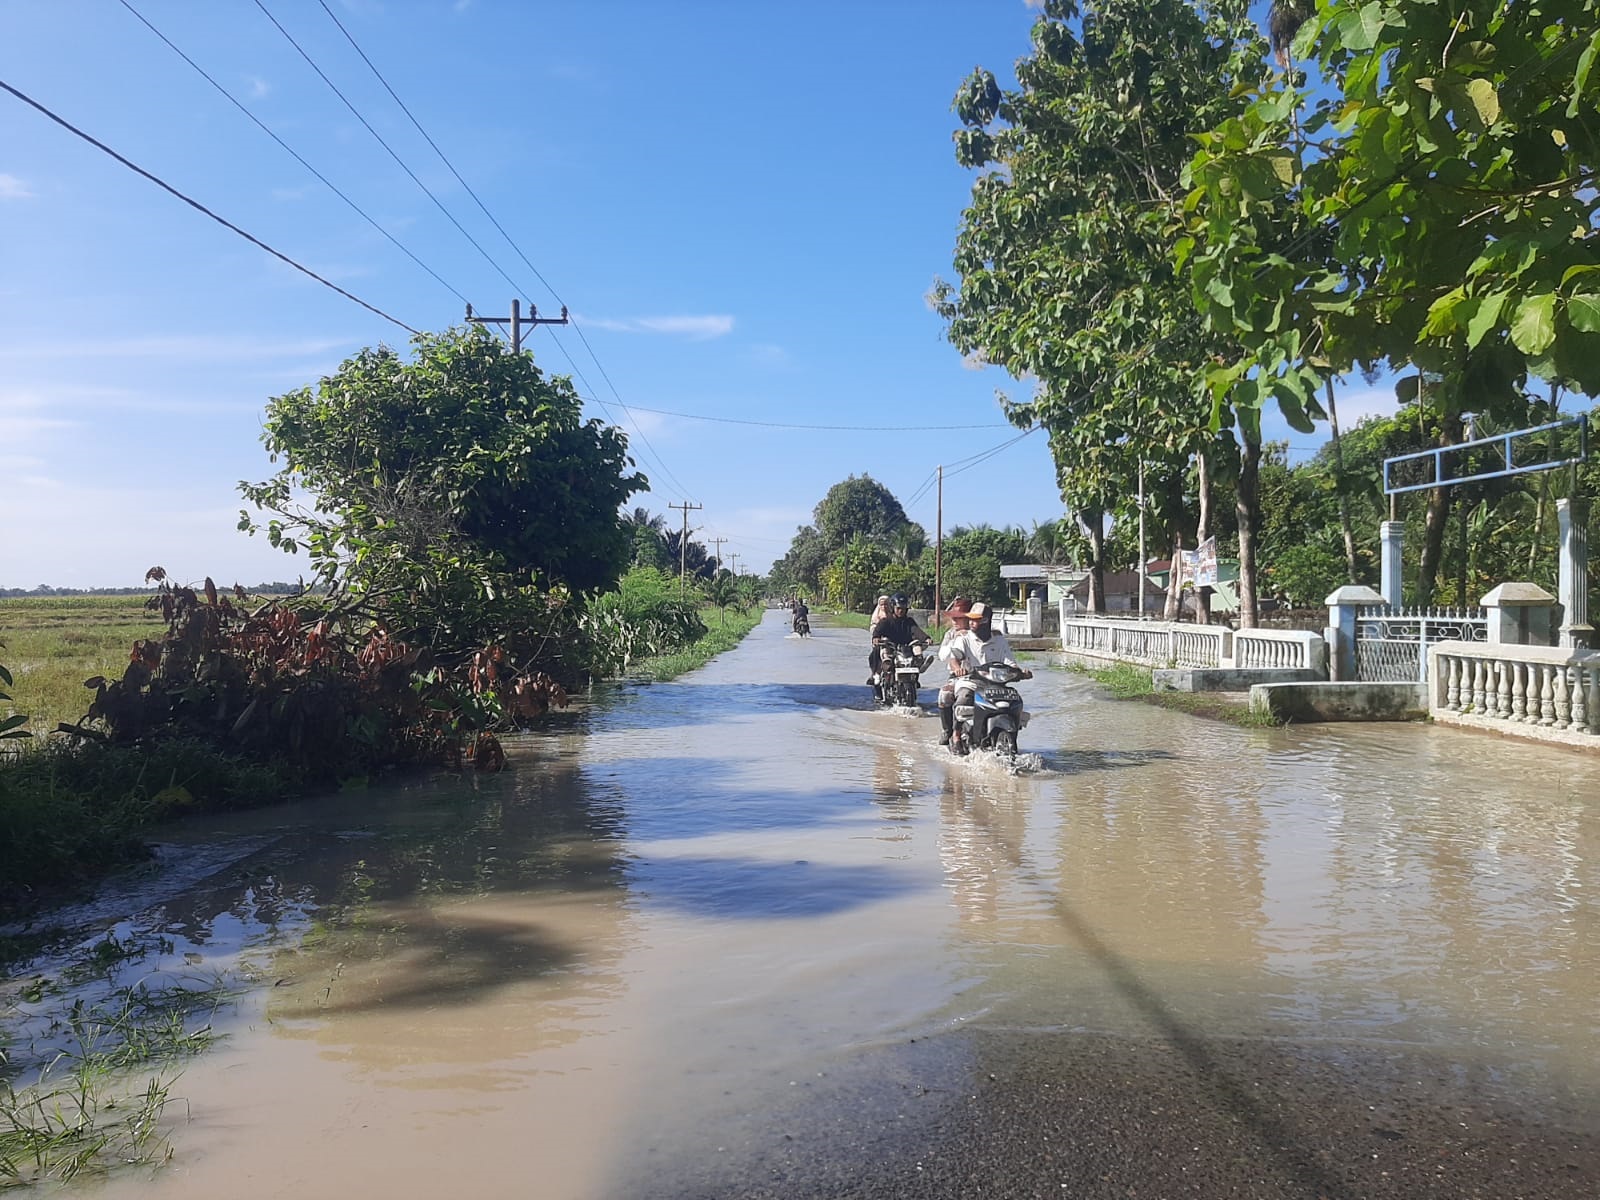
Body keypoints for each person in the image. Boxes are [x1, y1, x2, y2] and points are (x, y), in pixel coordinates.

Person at [942, 601, 1032, 748]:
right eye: (970, 619)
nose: (971, 622)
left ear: (986, 620)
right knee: (963, 700)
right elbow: (954, 658)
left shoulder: (999, 639)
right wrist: (958, 668)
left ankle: (1012, 732)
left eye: (976, 619)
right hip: (971, 681)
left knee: (1016, 702)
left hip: (997, 684)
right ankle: (956, 735)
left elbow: (1010, 662)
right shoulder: (964, 638)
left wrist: (1020, 673)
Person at [868, 593, 929, 693]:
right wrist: (876, 638)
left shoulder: (909, 621)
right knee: (883, 650)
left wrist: (926, 638)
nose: (901, 611)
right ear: (893, 608)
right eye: (898, 608)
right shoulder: (886, 621)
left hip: (906, 649)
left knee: (916, 645)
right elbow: (877, 631)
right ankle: (885, 670)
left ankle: (919, 663)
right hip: (891, 647)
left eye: (904, 609)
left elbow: (916, 630)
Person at [934, 597, 972, 744]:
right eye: (954, 618)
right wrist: (954, 641)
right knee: (944, 696)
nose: (955, 622)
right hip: (957, 676)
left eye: (960, 618)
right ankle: (948, 730)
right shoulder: (950, 634)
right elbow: (942, 656)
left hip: (981, 676)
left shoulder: (978, 633)